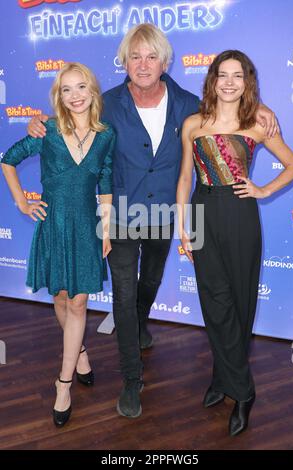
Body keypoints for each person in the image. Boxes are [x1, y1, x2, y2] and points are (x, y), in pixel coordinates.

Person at [27, 24, 278, 419]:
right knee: (123, 297)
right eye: (135, 57)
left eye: (151, 57)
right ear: (124, 61)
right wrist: (37, 123)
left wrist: (262, 109)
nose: (143, 65)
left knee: (149, 284)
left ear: (164, 61)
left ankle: (142, 323)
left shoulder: (188, 103)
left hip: (164, 215)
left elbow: (229, 109)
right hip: (122, 216)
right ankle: (131, 379)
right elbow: (69, 114)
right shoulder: (105, 103)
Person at [177, 50, 293, 436]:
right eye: (222, 75)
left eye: (238, 76)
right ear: (211, 80)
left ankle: (226, 380)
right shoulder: (193, 124)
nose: (229, 82)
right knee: (214, 303)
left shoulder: (259, 125)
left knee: (241, 301)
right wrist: (184, 223)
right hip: (203, 211)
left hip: (241, 214)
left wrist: (263, 189)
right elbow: (184, 177)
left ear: (248, 82)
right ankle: (242, 390)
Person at [1, 62, 115, 428]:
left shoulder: (106, 134)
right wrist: (22, 201)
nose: (75, 95)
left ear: (92, 91)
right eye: (67, 89)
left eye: (82, 87)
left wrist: (108, 231)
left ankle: (62, 385)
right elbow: (8, 160)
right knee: (62, 298)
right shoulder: (46, 130)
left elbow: (107, 185)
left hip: (87, 227)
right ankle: (79, 350)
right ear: (59, 96)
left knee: (79, 302)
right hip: (53, 225)